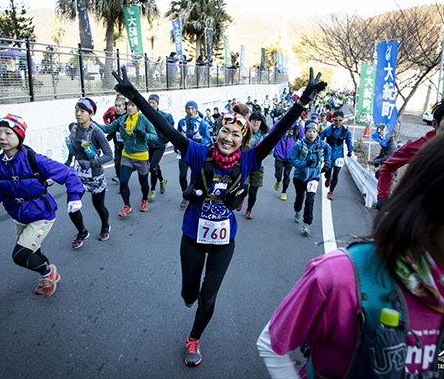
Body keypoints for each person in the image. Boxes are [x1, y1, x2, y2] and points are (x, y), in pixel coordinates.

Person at [113, 66, 327, 367]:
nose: (229, 136)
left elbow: (277, 131)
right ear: (218, 132)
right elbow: (165, 128)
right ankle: (190, 296)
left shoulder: (251, 159)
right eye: (225, 130)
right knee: (189, 292)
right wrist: (134, 95)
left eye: (236, 133)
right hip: (192, 237)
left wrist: (302, 103)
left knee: (208, 297)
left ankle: (194, 338)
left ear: (244, 139)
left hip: (224, 242)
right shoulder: (199, 153)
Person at [258, 127, 444, 378]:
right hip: (301, 177)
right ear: (435, 203)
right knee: (303, 201)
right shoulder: (339, 277)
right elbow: (272, 344)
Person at [0, 114, 84, 297]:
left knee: (20, 255)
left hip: (41, 215)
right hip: (19, 216)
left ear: (19, 136)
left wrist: (74, 195)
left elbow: (67, 173)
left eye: (8, 133)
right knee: (34, 252)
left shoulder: (35, 160)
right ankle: (48, 275)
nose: (2, 137)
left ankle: (48, 273)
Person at [377, 99, 444, 208]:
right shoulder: (418, 147)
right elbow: (388, 167)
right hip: (418, 214)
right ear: (435, 123)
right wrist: (383, 196)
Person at [96, 99, 157, 216]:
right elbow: (106, 129)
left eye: (132, 105)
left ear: (137, 108)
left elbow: (154, 136)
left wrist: (144, 135)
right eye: (128, 105)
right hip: (127, 156)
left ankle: (144, 200)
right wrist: (91, 122)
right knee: (123, 181)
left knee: (143, 182)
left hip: (141, 156)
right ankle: (127, 205)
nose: (129, 108)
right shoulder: (121, 119)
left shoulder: (143, 119)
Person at [65, 98, 113, 246]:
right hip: (77, 174)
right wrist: (68, 160)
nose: (78, 114)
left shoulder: (96, 132)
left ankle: (105, 226)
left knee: (98, 205)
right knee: (72, 206)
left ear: (91, 114)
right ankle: (82, 231)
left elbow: (109, 155)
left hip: (94, 175)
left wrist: (92, 163)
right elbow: (73, 148)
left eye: (82, 111)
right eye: (76, 110)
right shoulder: (73, 128)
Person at [288, 120, 331, 236]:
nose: (311, 134)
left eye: (314, 131)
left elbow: (329, 151)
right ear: (305, 132)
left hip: (314, 177)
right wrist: (305, 164)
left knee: (310, 200)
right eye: (309, 131)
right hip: (299, 176)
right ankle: (297, 210)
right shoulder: (299, 145)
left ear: (317, 132)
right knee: (300, 197)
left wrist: (327, 164)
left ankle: (306, 224)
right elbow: (292, 160)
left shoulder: (322, 145)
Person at [177, 100, 212, 209]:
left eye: (193, 109)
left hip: (196, 154)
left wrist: (201, 144)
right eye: (188, 108)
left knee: (195, 177)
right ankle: (185, 193)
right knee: (182, 176)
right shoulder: (181, 122)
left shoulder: (202, 123)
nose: (190, 111)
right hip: (183, 153)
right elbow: (177, 135)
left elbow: (208, 138)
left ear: (196, 109)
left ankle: (191, 194)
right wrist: (175, 147)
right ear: (185, 110)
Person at [320, 109, 353, 200]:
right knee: (327, 172)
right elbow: (320, 139)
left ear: (343, 120)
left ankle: (331, 192)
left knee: (336, 173)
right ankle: (328, 178)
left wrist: (350, 150)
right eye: (336, 120)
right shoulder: (328, 130)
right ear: (333, 120)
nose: (338, 122)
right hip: (329, 155)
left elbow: (349, 141)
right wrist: (323, 145)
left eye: (340, 120)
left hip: (339, 155)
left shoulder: (346, 131)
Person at [146, 94, 174, 202]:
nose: (151, 105)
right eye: (149, 102)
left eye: (153, 103)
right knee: (155, 165)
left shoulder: (164, 116)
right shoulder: (144, 116)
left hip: (160, 145)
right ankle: (162, 180)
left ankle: (152, 190)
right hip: (149, 145)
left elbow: (170, 126)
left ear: (157, 104)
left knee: (152, 167)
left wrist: (165, 138)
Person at [271, 114, 304, 201]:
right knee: (278, 173)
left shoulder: (298, 126)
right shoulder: (279, 123)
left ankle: (284, 191)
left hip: (291, 155)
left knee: (287, 175)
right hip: (279, 153)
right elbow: (270, 133)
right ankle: (278, 180)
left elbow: (303, 139)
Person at [243, 111, 270, 219]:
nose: (255, 122)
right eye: (253, 120)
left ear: (261, 122)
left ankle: (249, 210)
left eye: (258, 120)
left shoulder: (264, 135)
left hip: (258, 166)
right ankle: (241, 198)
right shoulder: (245, 132)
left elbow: (270, 150)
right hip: (245, 164)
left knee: (253, 192)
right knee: (243, 190)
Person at [102, 97, 127, 184]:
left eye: (119, 106)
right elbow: (112, 131)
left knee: (129, 165)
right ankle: (122, 182)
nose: (117, 108)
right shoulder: (113, 116)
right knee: (117, 164)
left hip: (128, 145)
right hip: (118, 144)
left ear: (124, 106)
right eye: (116, 106)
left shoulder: (129, 116)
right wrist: (105, 141)